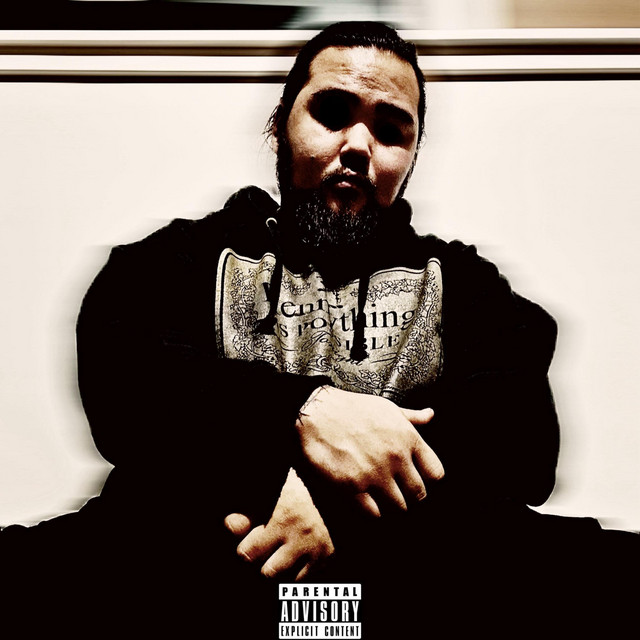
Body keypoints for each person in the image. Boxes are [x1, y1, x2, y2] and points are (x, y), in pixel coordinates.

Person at [1, 21, 637, 638]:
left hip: (416, 587)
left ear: (411, 157)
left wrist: (327, 506)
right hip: (201, 581)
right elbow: (129, 385)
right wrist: (303, 413)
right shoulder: (184, 259)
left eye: (391, 130)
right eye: (332, 113)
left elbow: (520, 447)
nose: (359, 145)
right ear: (281, 125)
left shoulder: (465, 283)